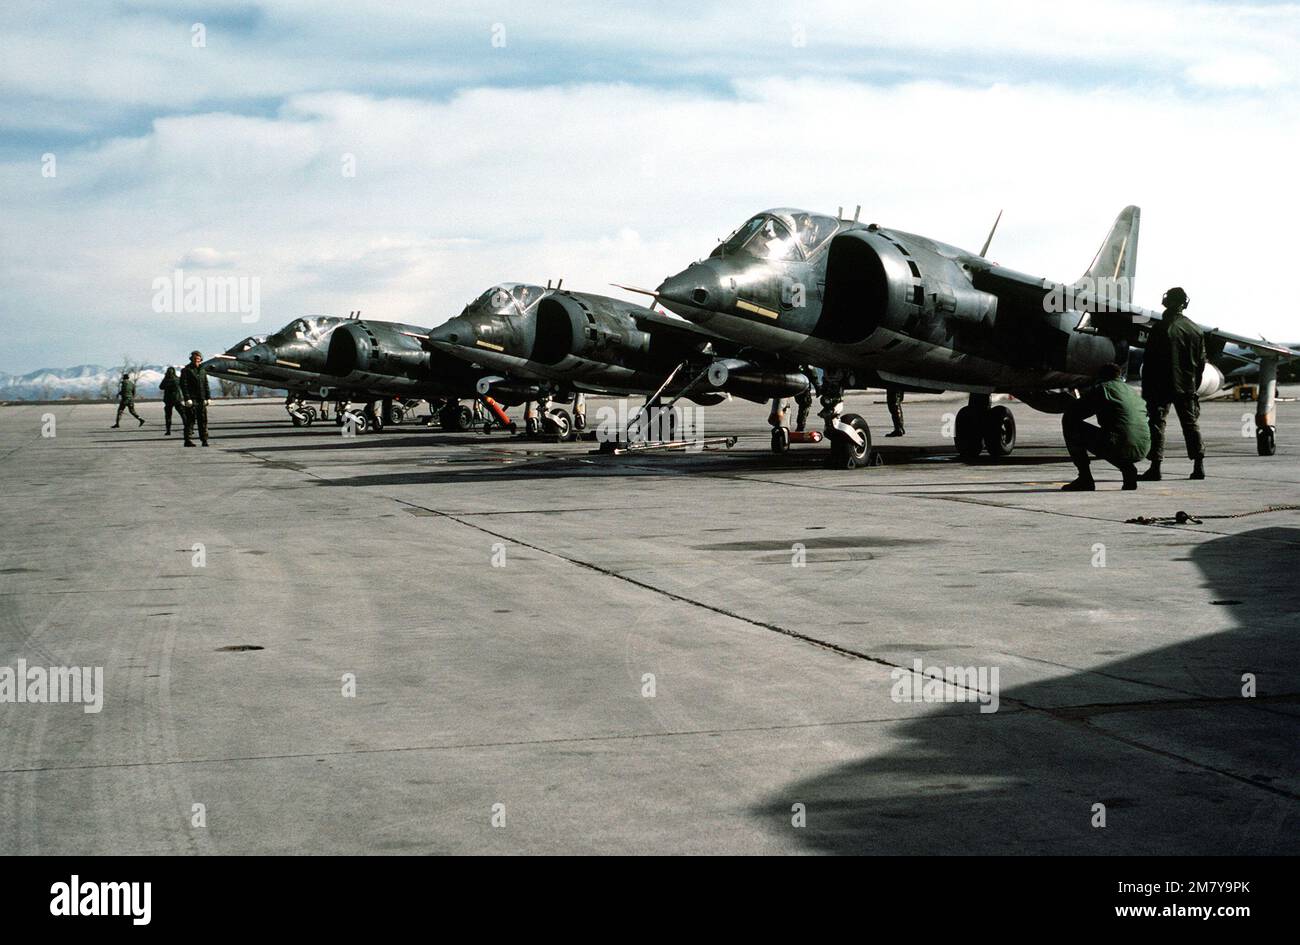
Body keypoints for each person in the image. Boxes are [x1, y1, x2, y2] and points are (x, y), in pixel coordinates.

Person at [1139, 287, 1206, 481]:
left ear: (1167, 302)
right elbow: (1201, 363)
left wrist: (1147, 388)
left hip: (1161, 385)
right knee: (1190, 424)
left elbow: (1150, 360)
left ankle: (1155, 467)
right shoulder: (1196, 330)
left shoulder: (1161, 328)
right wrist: (1194, 386)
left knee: (1157, 424)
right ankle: (1198, 465)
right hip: (1186, 386)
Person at [1060, 362, 1151, 491]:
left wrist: (1078, 397)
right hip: (1143, 447)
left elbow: (1075, 413)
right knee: (1117, 435)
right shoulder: (1131, 391)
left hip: (1120, 444)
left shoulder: (1103, 388)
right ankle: (1127, 469)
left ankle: (1085, 478)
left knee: (1070, 423)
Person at [178, 350, 211, 447]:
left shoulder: (202, 370)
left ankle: (204, 440)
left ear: (201, 359)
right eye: (194, 359)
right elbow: (184, 385)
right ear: (191, 359)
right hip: (192, 399)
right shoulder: (186, 370)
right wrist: (187, 398)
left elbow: (206, 384)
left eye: (198, 359)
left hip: (201, 399)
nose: (196, 360)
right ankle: (187, 440)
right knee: (190, 420)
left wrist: (208, 397)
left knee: (203, 420)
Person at [159, 366, 181, 435]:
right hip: (177, 399)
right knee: (183, 415)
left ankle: (168, 430)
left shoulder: (166, 380)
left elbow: (161, 387)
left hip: (168, 400)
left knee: (168, 416)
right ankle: (189, 428)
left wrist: (165, 378)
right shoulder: (177, 379)